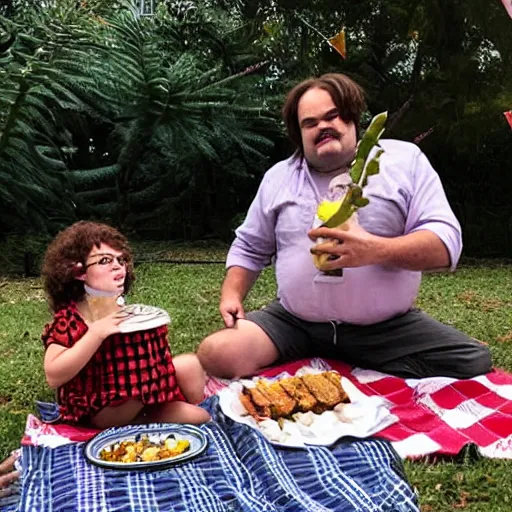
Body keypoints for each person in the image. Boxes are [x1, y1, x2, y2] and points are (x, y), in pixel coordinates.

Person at [197, 73, 492, 380]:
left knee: (471, 360)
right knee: (216, 353)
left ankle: (344, 365)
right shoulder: (279, 177)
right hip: (295, 324)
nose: (322, 126)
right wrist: (231, 294)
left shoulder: (403, 161)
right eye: (309, 123)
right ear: (299, 135)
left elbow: (446, 244)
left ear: (351, 118)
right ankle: (347, 369)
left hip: (386, 330)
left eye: (332, 116)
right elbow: (250, 246)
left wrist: (375, 250)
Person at [41, 221, 210, 429]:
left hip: (145, 394)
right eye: (104, 260)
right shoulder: (71, 319)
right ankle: (141, 421)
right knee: (145, 396)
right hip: (101, 405)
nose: (117, 266)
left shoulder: (126, 312)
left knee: (190, 366)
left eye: (121, 260)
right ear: (78, 271)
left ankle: (183, 412)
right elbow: (53, 375)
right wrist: (95, 334)